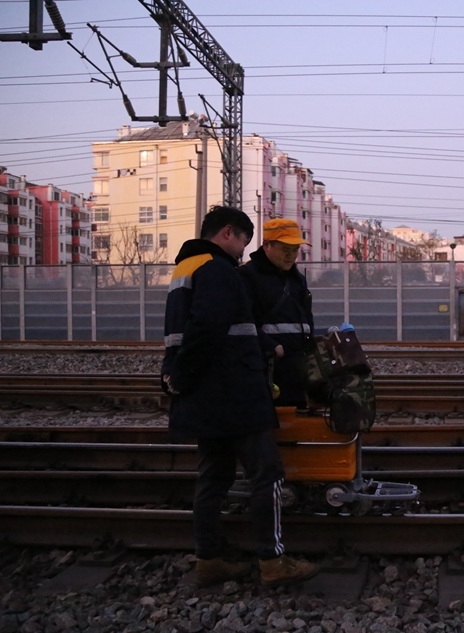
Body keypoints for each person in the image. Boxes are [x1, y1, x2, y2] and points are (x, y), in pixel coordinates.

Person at [161, 206, 319, 588]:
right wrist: (181, 374)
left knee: (213, 476)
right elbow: (208, 329)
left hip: (206, 394)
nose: (242, 251)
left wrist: (176, 376)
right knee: (268, 473)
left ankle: (209, 559)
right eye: (243, 241)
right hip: (231, 391)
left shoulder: (185, 268)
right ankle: (272, 562)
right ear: (228, 233)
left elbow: (185, 334)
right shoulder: (216, 269)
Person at [239, 218, 315, 408]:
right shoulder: (248, 276)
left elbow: (306, 317)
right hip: (267, 368)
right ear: (266, 246)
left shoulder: (297, 278)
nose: (291, 256)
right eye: (285, 250)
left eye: (295, 250)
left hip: (296, 369)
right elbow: (241, 321)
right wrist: (270, 346)